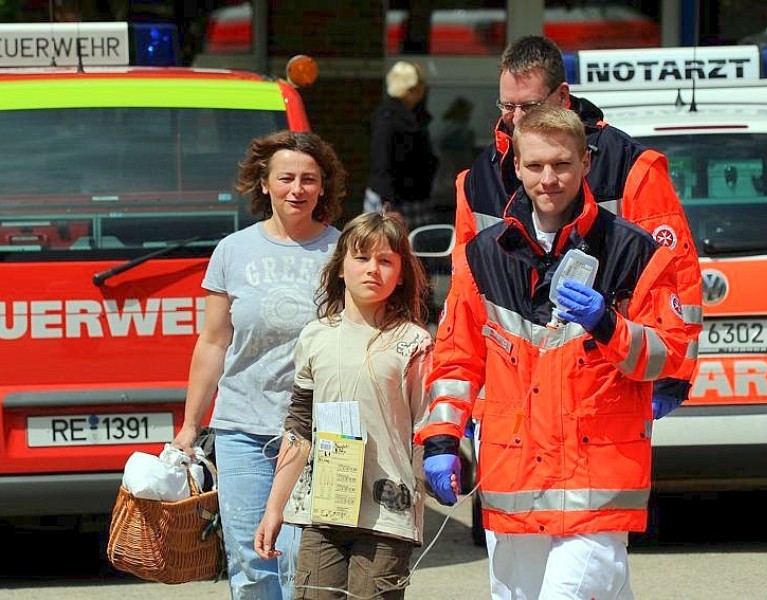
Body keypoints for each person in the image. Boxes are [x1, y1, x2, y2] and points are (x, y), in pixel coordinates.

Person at [417, 104, 690, 599]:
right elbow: (457, 359)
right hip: (514, 481)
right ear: (516, 167)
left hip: (596, 482)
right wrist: (441, 439)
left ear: (586, 163)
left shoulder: (634, 251)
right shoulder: (482, 256)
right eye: (537, 165)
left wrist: (608, 324)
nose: (549, 178)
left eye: (562, 164)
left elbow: (666, 355)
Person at [453, 36, 702, 423]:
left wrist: (671, 377)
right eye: (508, 106)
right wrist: (464, 402)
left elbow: (677, 278)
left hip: (604, 382)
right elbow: (466, 298)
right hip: (512, 392)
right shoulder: (479, 180)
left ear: (562, 95)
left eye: (530, 106)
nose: (517, 119)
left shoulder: (627, 166)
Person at [171, 130, 346, 599]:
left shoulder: (345, 252)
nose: (298, 189)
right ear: (264, 184)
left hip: (321, 433)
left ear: (323, 187)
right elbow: (213, 343)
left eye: (309, 179)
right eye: (286, 177)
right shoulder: (233, 251)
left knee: (299, 561)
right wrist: (191, 424)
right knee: (251, 560)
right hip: (242, 429)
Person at [253, 211, 433, 600]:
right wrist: (274, 509)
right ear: (339, 268)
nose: (373, 269)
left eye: (385, 261)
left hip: (388, 513)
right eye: (361, 258)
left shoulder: (414, 342)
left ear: (401, 274)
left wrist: (432, 478)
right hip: (323, 507)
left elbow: (427, 429)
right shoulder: (315, 336)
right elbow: (299, 430)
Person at [364, 60, 438, 230]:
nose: (422, 89)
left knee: (415, 252)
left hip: (413, 196)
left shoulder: (413, 116)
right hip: (393, 200)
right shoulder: (387, 119)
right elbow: (382, 163)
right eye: (419, 85)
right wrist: (389, 205)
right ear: (409, 88)